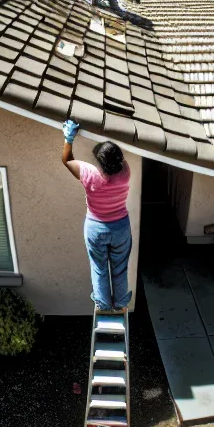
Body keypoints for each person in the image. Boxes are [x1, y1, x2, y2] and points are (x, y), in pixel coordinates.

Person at [61, 119, 132, 313]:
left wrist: (69, 138)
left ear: (100, 163)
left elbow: (67, 160)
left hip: (96, 228)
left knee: (99, 269)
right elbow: (117, 158)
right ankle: (120, 304)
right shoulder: (125, 172)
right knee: (119, 268)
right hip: (120, 228)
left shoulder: (89, 174)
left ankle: (104, 304)